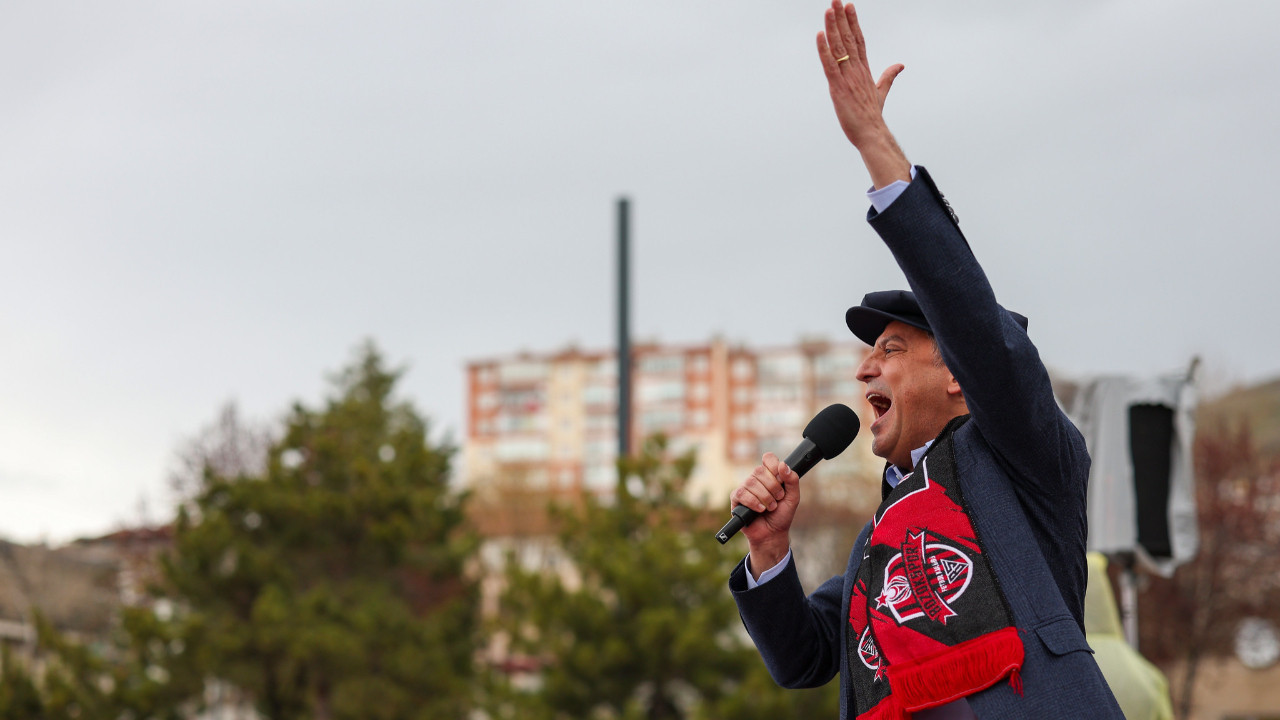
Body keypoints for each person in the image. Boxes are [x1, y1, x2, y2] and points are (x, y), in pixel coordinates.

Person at [727, 3, 1125, 718]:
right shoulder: (879, 544)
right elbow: (805, 658)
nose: (863, 371)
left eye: (891, 348)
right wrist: (769, 552)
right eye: (867, 354)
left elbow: (978, 328)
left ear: (957, 376)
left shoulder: (1024, 465)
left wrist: (877, 147)